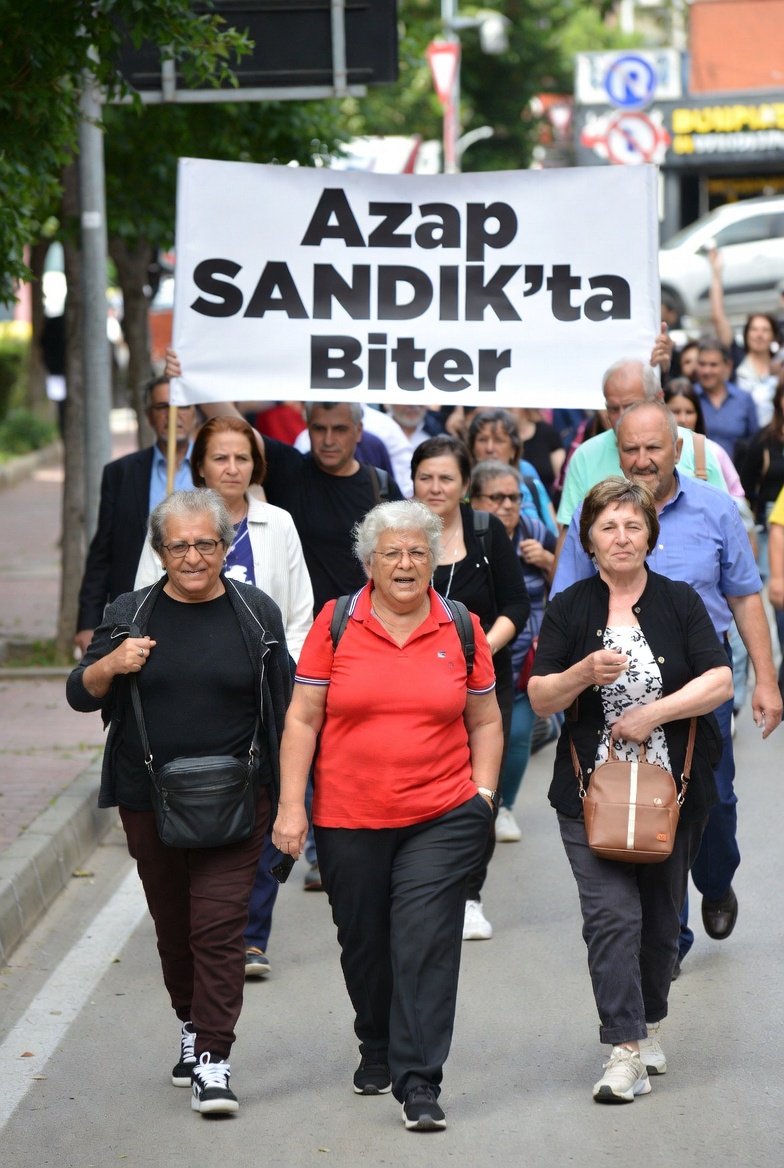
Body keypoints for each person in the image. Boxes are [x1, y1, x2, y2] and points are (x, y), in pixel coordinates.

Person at [271, 499, 503, 1132]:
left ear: (434, 559)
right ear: (369, 563)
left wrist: (482, 796)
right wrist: (293, 805)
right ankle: (375, 1040)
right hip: (349, 815)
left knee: (425, 942)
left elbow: (484, 717)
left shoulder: (460, 625)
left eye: (418, 553)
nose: (405, 564)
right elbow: (302, 717)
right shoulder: (336, 621)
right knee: (365, 943)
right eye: (392, 553)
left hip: (442, 811)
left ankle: (420, 1080)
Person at [66, 489, 293, 1116]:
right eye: (179, 545)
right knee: (174, 930)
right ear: (160, 551)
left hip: (238, 799)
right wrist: (111, 663)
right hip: (150, 800)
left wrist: (292, 798)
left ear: (225, 546)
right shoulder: (130, 612)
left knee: (218, 930)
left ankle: (214, 1059)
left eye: (206, 544)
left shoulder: (256, 614)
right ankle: (190, 1023)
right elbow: (80, 695)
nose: (194, 557)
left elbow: (289, 706)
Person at [553, 402, 782, 970]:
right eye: (630, 449)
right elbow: (568, 602)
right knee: (644, 815)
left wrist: (767, 681)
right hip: (614, 701)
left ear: (677, 450)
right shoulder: (601, 518)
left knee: (715, 804)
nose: (642, 459)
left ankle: (716, 880)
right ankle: (668, 940)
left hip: (699, 690)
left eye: (653, 447)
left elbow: (745, 594)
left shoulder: (715, 509)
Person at [529, 477, 732, 1103]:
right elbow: (540, 695)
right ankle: (624, 1050)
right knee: (611, 916)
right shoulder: (571, 608)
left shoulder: (679, 601)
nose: (622, 537)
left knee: (660, 920)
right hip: (592, 793)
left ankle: (646, 1022)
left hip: (674, 791)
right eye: (609, 526)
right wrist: (582, 672)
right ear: (588, 537)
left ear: (650, 536)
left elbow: (720, 679)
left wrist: (655, 713)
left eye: (634, 526)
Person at [134, 415, 314, 978]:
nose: (232, 468)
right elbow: (141, 600)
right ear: (200, 465)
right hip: (192, 688)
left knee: (264, 800)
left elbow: (299, 612)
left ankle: (249, 934)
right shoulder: (171, 524)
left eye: (242, 458)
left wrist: (293, 679)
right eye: (220, 458)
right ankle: (207, 926)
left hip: (266, 685)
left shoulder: (277, 522)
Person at [411, 434, 529, 939]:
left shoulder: (486, 533)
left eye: (446, 479)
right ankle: (420, 889)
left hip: (481, 686)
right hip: (411, 690)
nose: (435, 488)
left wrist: (475, 651)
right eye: (425, 478)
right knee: (418, 785)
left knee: (479, 789)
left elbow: (516, 608)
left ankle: (468, 895)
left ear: (464, 486)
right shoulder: (394, 533)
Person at [75, 376, 198, 654]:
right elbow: (102, 551)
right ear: (148, 416)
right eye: (162, 406)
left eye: (182, 406)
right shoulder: (121, 473)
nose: (173, 415)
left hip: (198, 608)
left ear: (195, 414)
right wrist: (87, 622)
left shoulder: (212, 472)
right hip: (135, 615)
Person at [470, 459, 555, 841]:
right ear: (475, 499)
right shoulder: (464, 536)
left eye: (514, 497)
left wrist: (546, 560)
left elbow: (572, 578)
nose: (507, 505)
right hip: (470, 661)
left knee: (518, 734)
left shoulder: (534, 530)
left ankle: (504, 806)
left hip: (524, 660)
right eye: (497, 497)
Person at [556, 356, 727, 533]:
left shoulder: (699, 450)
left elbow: (726, 527)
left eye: (632, 405)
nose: (622, 417)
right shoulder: (585, 456)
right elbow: (570, 540)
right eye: (614, 409)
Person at [709, 245, 780, 426]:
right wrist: (716, 274)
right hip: (744, 438)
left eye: (765, 330)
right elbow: (718, 317)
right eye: (754, 329)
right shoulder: (736, 357)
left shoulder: (779, 363)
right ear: (746, 334)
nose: (759, 335)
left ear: (773, 336)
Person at [465, 407, 557, 534]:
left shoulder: (527, 473)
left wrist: (544, 554)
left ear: (514, 449)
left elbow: (553, 531)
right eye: (482, 440)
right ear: (472, 447)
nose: (490, 448)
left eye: (498, 440)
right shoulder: (462, 483)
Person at [693, 338, 759, 466]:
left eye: (713, 365)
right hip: (696, 477)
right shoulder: (689, 398)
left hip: (736, 476)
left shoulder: (744, 399)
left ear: (727, 366)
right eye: (702, 364)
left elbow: (754, 443)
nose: (707, 371)